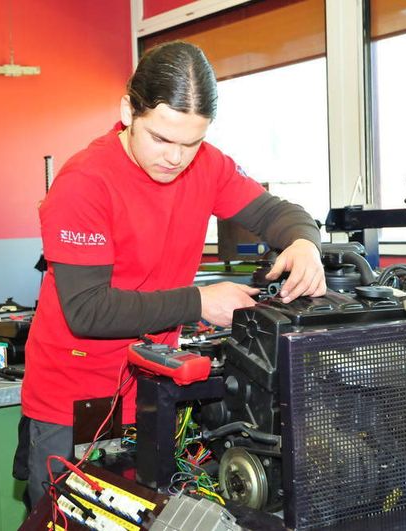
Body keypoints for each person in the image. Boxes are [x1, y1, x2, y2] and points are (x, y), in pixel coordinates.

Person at [18, 40, 326, 508]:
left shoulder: (208, 165)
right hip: (75, 403)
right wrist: (200, 301)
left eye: (191, 142)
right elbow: (88, 311)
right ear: (128, 110)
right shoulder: (84, 183)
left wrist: (305, 242)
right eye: (161, 139)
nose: (176, 158)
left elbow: (277, 212)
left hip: (155, 392)